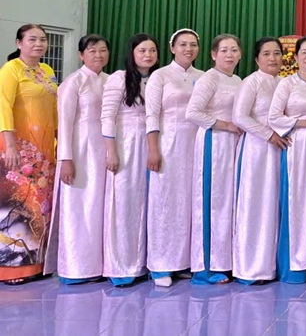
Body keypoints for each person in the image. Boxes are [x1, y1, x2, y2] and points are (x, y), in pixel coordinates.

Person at [47, 34, 110, 283]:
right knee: (79, 206)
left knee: (100, 207)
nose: (98, 55)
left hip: (104, 149)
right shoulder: (73, 82)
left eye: (103, 50)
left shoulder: (110, 81)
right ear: (81, 55)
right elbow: (65, 123)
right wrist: (66, 159)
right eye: (92, 51)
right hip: (80, 150)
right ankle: (75, 268)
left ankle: (100, 265)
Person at [268, 35, 306, 283]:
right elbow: (274, 117)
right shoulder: (287, 84)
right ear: (295, 57)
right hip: (297, 146)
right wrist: (305, 123)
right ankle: (296, 264)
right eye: (304, 52)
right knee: (299, 200)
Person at [144, 28, 203, 287]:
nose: (188, 49)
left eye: (193, 45)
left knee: (190, 202)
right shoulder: (160, 76)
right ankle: (160, 265)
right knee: (165, 201)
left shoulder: (203, 77)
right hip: (169, 143)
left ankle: (183, 261)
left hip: (196, 144)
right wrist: (153, 149)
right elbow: (152, 114)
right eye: (182, 44)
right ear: (172, 48)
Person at [0, 24, 58, 284]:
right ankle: (11, 269)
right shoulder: (10, 69)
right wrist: (10, 144)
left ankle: (38, 264)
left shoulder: (47, 71)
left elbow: (55, 108)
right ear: (19, 43)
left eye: (42, 40)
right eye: (32, 39)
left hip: (44, 150)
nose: (38, 44)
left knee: (40, 206)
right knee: (18, 205)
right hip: (18, 147)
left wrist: (59, 139)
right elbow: (2, 106)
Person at [101, 33, 158, 286]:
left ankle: (145, 263)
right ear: (132, 54)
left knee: (149, 203)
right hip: (126, 145)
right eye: (142, 50)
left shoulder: (158, 79)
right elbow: (107, 116)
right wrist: (111, 150)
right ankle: (122, 266)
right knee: (124, 203)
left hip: (152, 143)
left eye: (152, 50)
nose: (148, 55)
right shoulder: (119, 78)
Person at [185, 34, 243, 284]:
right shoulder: (208, 78)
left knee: (229, 202)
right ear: (213, 54)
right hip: (214, 141)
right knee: (212, 201)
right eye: (224, 50)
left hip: (233, 144)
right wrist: (226, 125)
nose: (229, 55)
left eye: (234, 50)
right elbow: (192, 112)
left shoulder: (238, 80)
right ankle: (206, 267)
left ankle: (226, 261)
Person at [232, 37, 284, 284]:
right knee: (255, 204)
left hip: (280, 150)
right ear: (256, 59)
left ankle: (273, 265)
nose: (272, 58)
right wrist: (268, 135)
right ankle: (251, 267)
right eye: (266, 54)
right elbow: (239, 116)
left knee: (275, 204)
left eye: (277, 53)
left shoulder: (284, 83)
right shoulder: (251, 82)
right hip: (256, 149)